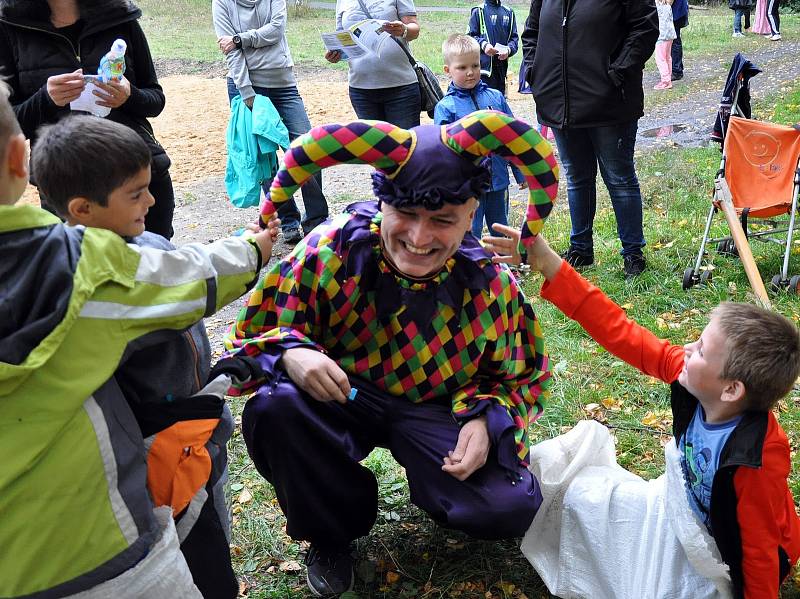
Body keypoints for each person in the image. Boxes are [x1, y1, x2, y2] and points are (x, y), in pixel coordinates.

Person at [223, 110, 559, 596]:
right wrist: (292, 352)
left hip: (434, 408)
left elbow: (524, 377)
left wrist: (487, 421)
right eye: (405, 215)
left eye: (442, 220)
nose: (419, 239)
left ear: (471, 213)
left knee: (507, 505)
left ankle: (439, 487)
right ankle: (331, 530)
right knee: (275, 407)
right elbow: (249, 340)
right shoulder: (329, 251)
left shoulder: (490, 285)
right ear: (383, 202)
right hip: (342, 397)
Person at [0, 86, 277, 597]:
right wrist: (254, 251)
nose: (151, 200)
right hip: (104, 543)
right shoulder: (77, 267)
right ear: (21, 159)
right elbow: (190, 279)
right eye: (138, 193)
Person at [484, 226, 800, 599]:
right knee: (582, 498)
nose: (686, 347)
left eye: (700, 349)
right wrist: (550, 264)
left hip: (721, 557)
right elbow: (622, 332)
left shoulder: (753, 460)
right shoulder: (694, 379)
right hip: (682, 517)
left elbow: (758, 551)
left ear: (731, 390)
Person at [0, 0, 176, 240]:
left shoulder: (120, 16)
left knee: (156, 268)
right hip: (66, 188)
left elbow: (156, 99)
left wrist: (129, 95)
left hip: (139, 178)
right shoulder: (9, 25)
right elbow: (7, 126)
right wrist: (45, 99)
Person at [521, 0, 658, 277]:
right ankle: (580, 248)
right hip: (559, 100)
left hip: (609, 100)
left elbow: (645, 27)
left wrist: (617, 71)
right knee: (577, 177)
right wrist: (535, 72)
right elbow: (532, 32)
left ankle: (633, 253)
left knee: (619, 178)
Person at [213, 0, 330, 243]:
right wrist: (246, 92)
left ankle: (316, 219)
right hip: (246, 87)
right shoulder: (222, 2)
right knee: (264, 156)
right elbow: (230, 53)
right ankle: (288, 219)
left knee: (307, 146)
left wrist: (239, 39)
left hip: (283, 83)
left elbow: (276, 29)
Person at [433, 34, 525, 238]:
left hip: (498, 181)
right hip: (467, 186)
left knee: (501, 228)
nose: (470, 72)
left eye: (475, 65)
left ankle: (505, 268)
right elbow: (442, 152)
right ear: (448, 70)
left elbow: (512, 138)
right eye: (462, 68)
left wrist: (519, 172)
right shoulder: (445, 108)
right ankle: (472, 268)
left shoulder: (496, 97)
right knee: (469, 232)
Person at [324, 0, 421, 129]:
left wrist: (404, 29)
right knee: (373, 147)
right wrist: (334, 53)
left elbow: (414, 30)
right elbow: (342, 37)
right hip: (361, 90)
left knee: (403, 146)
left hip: (401, 88)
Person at [467, 0, 519, 95]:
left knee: (499, 99)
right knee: (484, 101)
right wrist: (484, 45)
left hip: (501, 68)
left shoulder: (509, 12)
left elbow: (514, 39)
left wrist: (508, 50)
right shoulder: (478, 11)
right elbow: (469, 37)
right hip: (483, 70)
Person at [654, 0, 676, 90]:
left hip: (662, 35)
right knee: (667, 58)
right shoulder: (668, 5)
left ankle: (665, 81)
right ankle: (668, 79)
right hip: (670, 34)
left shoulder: (657, 6)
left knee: (660, 59)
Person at [671, 0, 689, 81]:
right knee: (674, 41)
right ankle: (677, 68)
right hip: (676, 10)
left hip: (675, 11)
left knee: (674, 41)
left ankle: (676, 71)